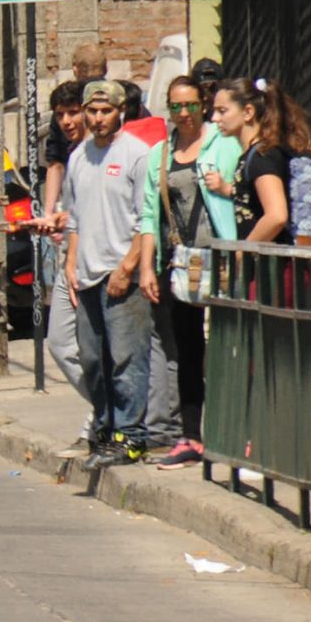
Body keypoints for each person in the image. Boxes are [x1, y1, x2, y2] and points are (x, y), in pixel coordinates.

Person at [137, 75, 241, 463]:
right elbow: (149, 215)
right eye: (176, 106)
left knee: (228, 343)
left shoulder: (224, 142)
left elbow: (242, 190)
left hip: (223, 257)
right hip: (182, 263)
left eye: (191, 105)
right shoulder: (160, 155)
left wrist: (225, 187)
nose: (183, 114)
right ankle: (192, 437)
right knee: (187, 347)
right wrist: (148, 267)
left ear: (204, 105)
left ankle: (234, 431)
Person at [60, 79, 156, 466]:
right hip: (87, 274)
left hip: (122, 275)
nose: (98, 118)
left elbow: (146, 218)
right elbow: (75, 217)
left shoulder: (137, 154)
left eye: (106, 111)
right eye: (93, 111)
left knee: (126, 360)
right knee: (93, 360)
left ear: (120, 113)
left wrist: (129, 266)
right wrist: (70, 263)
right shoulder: (79, 157)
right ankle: (104, 430)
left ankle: (131, 436)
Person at [38, 81, 91, 411]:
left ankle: (108, 418)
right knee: (59, 342)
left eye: (74, 113)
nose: (68, 121)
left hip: (93, 260)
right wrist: (51, 214)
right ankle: (104, 410)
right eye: (61, 115)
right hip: (69, 257)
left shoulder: (99, 152)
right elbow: (54, 167)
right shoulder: (71, 151)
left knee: (93, 345)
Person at [205, 79, 296, 244]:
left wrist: (243, 252)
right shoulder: (250, 156)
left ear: (248, 112)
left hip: (271, 265)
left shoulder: (262, 156)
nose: (214, 118)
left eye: (222, 111)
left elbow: (276, 215)